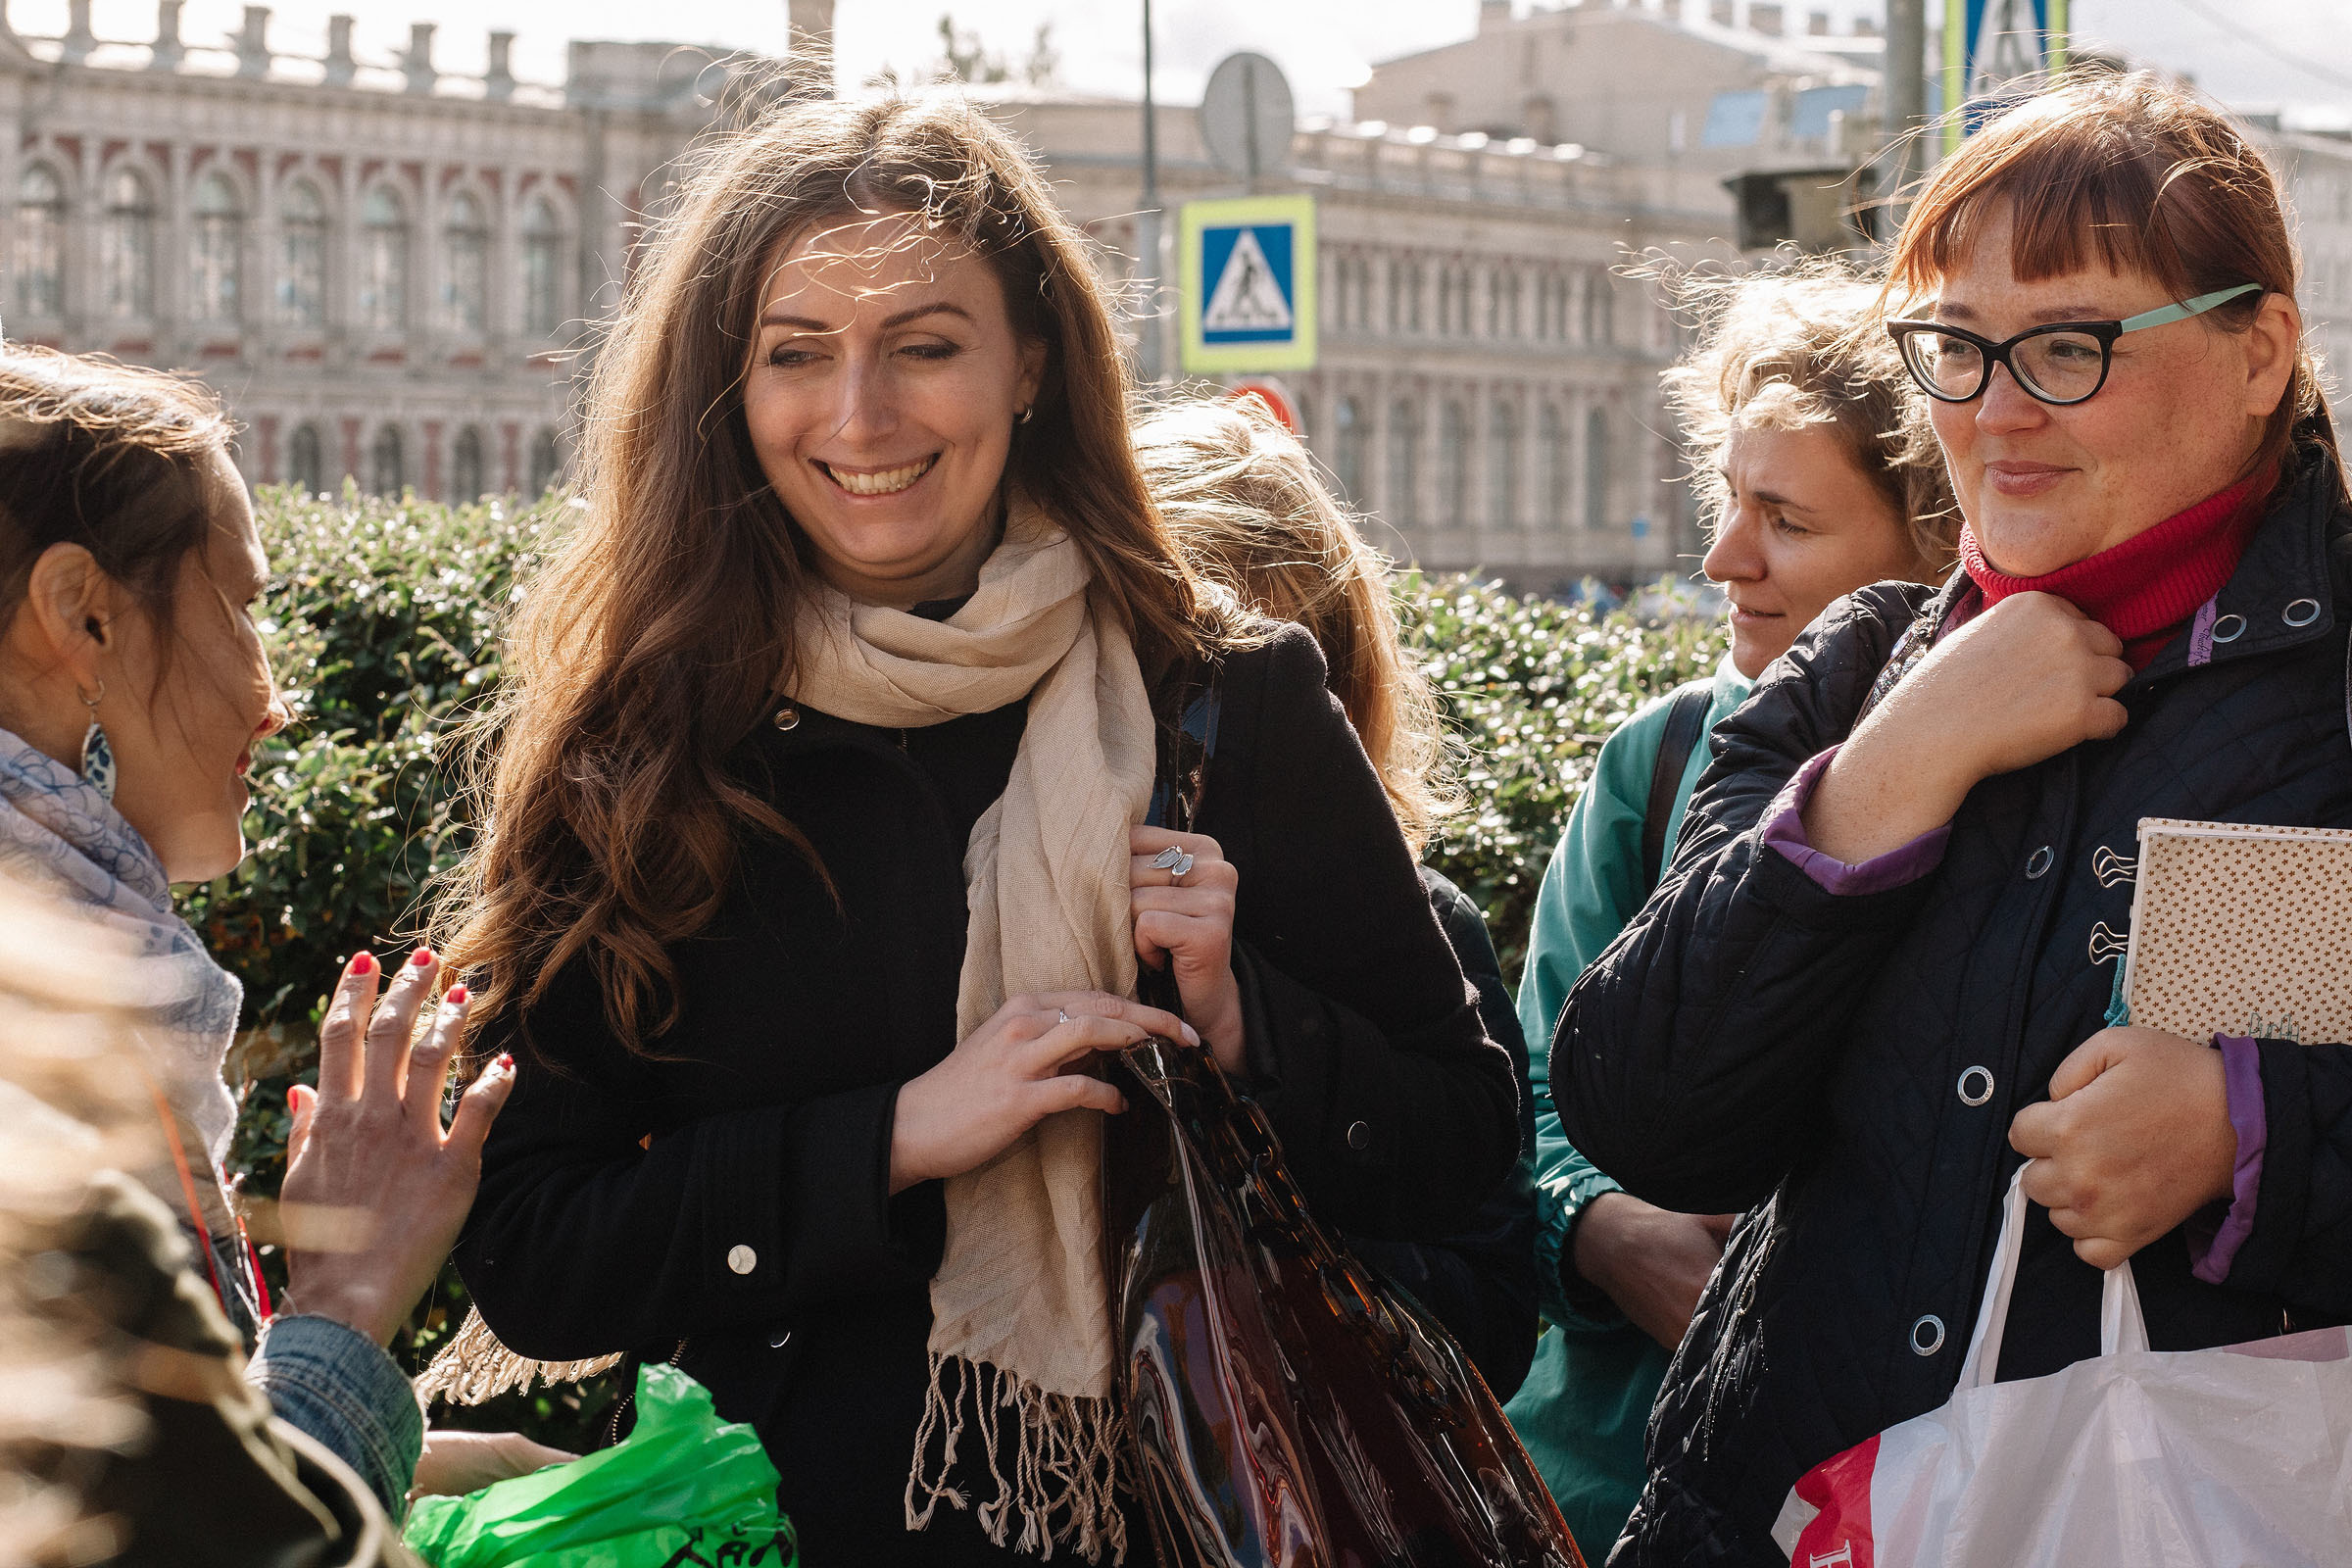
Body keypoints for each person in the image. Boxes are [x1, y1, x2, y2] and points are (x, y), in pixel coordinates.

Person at [439, 91, 1517, 1566]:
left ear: (1032, 368)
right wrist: (893, 1139)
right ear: (725, 395)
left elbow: (1464, 1154)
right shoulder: (641, 749)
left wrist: (1244, 1016)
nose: (860, 416)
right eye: (795, 356)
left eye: (926, 348)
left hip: (1195, 1527)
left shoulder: (1225, 698)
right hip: (790, 1533)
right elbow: (536, 1252)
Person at [1556, 73, 2352, 1565]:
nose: (1994, 409)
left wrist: (2259, 1136)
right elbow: (1650, 1114)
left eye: (2068, 344)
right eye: (1954, 347)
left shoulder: (2332, 697)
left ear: (2260, 354)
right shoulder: (1858, 670)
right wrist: (1887, 773)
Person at [0, 346, 541, 1531]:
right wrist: (346, 1305)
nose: (274, 694)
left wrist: (409, 1449)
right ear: (80, 616)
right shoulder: (35, 1074)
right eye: (243, 608)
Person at [1502, 262, 1960, 1554]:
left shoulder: (2035, 788)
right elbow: (1524, 1093)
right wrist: (1602, 1229)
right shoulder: (1660, 763)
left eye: (1786, 520)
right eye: (1727, 501)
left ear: (1930, 545)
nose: (1722, 559)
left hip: (1904, 1490)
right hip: (1610, 1487)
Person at [1133, 395, 1539, 1399]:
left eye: (1268, 690)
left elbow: (1491, 1318)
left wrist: (1248, 1029)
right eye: (1175, 689)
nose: (1217, 749)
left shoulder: (1426, 927)